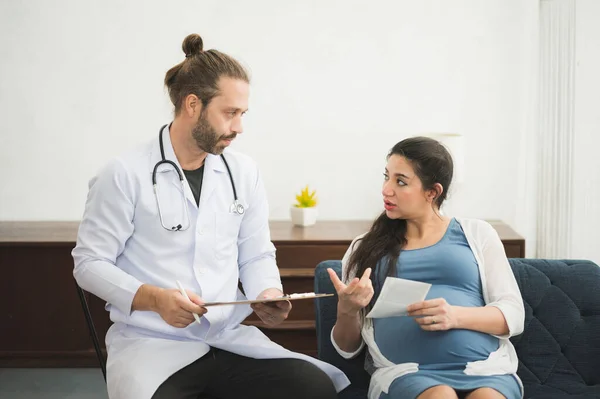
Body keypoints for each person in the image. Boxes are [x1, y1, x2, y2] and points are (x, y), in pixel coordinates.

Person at [72, 33, 348, 399]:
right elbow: (88, 263)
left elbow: (256, 252)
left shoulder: (243, 172)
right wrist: (155, 299)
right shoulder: (123, 173)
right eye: (230, 113)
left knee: (314, 388)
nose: (239, 127)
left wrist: (266, 293)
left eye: (242, 114)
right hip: (153, 345)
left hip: (228, 339)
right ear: (192, 105)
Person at [327, 136, 525, 399]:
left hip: (484, 369)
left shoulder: (477, 233)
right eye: (386, 177)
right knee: (440, 396)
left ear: (433, 192)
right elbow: (347, 349)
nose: (386, 189)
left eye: (400, 182)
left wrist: (454, 316)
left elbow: (513, 314)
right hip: (406, 373)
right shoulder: (364, 249)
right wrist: (347, 310)